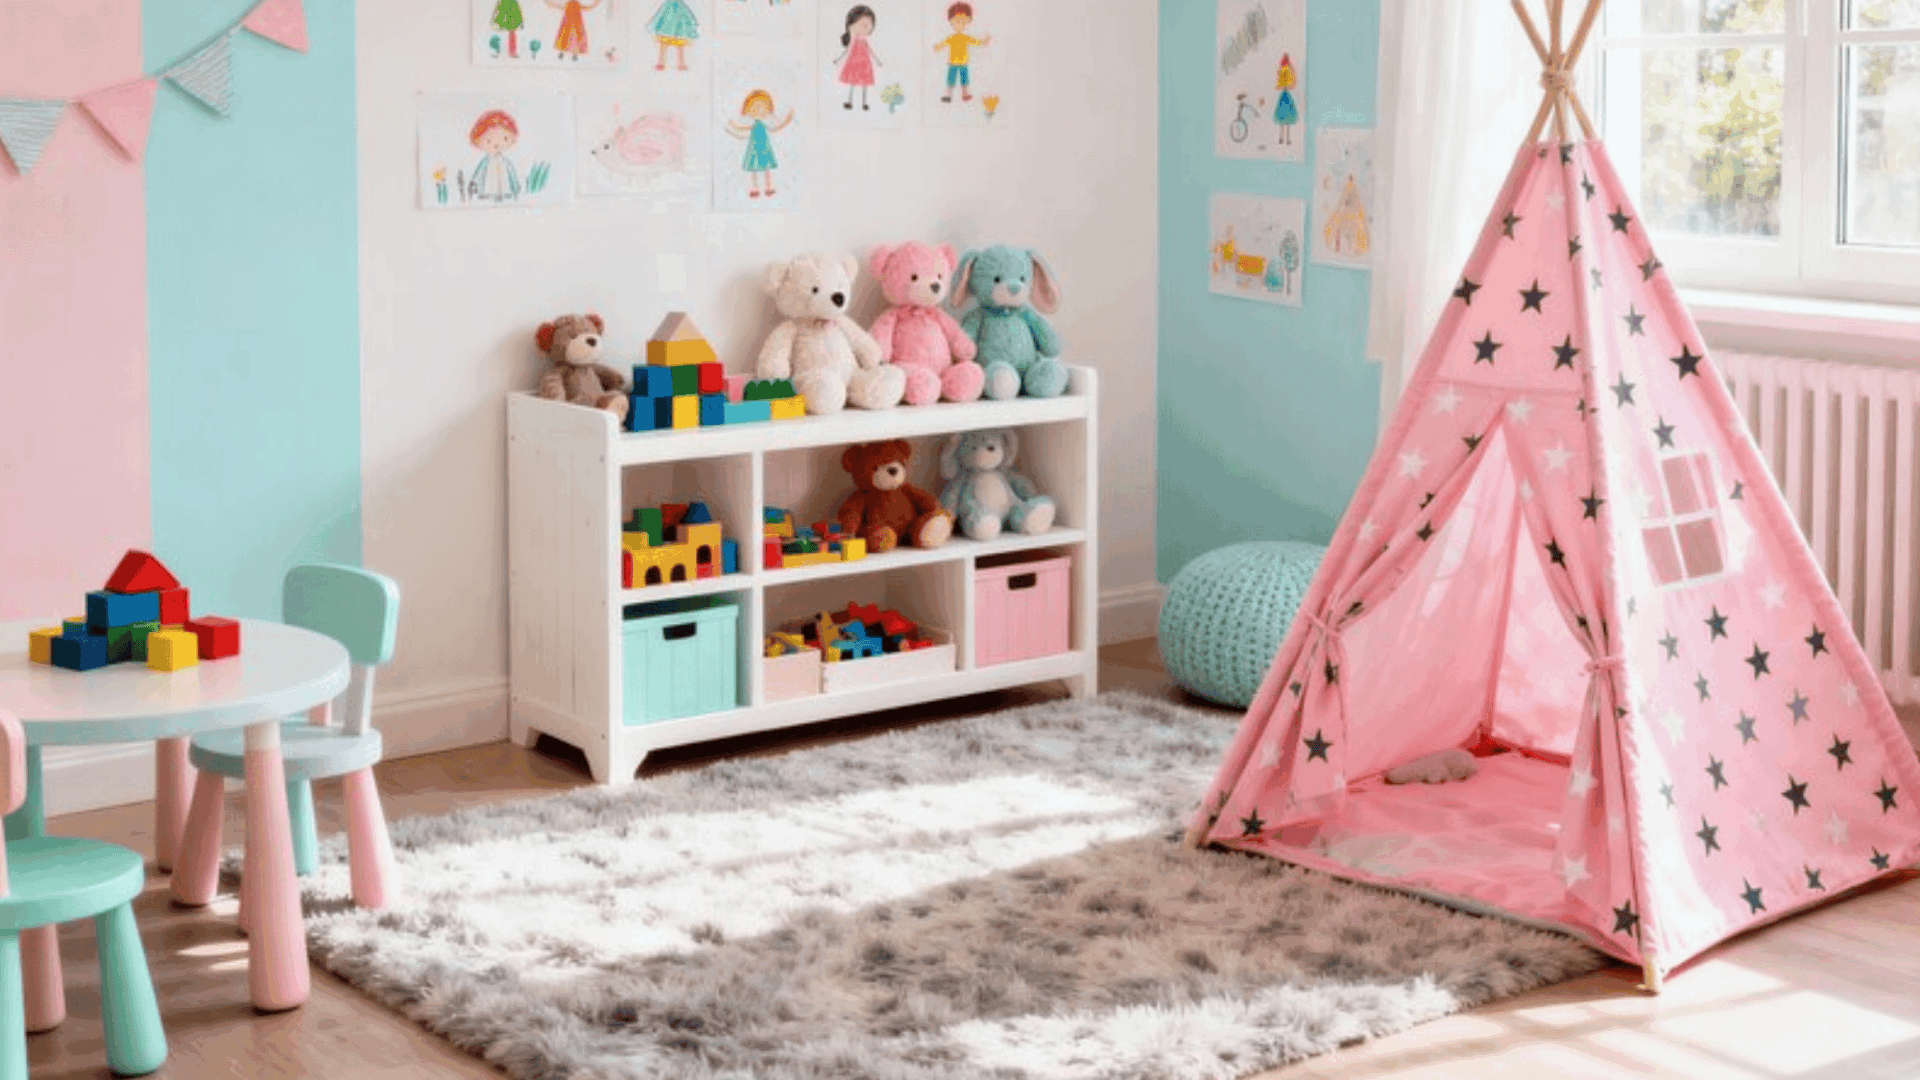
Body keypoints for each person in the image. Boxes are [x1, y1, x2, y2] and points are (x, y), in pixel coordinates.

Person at [725, 90, 795, 199]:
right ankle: (755, 187)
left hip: (764, 147)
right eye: (755, 107)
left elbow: (775, 127)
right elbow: (742, 128)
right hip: (754, 147)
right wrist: (732, 126)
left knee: (766, 167)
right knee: (754, 167)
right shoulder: (752, 123)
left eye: (762, 107)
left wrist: (787, 120)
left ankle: (768, 187)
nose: (758, 110)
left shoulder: (765, 122)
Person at [932, 2, 989, 104]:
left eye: (963, 21)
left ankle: (965, 94)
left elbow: (976, 42)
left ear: (968, 22)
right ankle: (948, 95)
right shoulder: (952, 38)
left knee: (964, 80)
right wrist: (937, 47)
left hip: (963, 63)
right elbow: (943, 43)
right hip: (953, 63)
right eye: (957, 21)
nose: (960, 24)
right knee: (951, 80)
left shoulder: (965, 38)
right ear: (951, 21)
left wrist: (983, 42)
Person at [834, 6, 881, 111]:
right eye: (860, 25)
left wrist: (877, 61)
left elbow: (870, 51)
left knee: (864, 83)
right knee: (853, 81)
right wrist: (838, 59)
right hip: (854, 61)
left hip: (864, 62)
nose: (865, 28)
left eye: (866, 26)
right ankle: (850, 102)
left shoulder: (864, 40)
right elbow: (847, 50)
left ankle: (864, 103)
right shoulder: (854, 39)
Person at [468, 110, 522, 202]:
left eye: (505, 138)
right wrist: (474, 185)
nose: (497, 144)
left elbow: (511, 174)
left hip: (505, 193)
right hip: (487, 193)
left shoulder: (505, 162)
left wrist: (515, 188)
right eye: (489, 141)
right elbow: (479, 174)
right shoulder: (486, 162)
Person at [648, 0, 700, 71]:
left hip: (678, 10)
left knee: (678, 38)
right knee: (665, 38)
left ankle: (680, 62)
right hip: (669, 11)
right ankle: (661, 62)